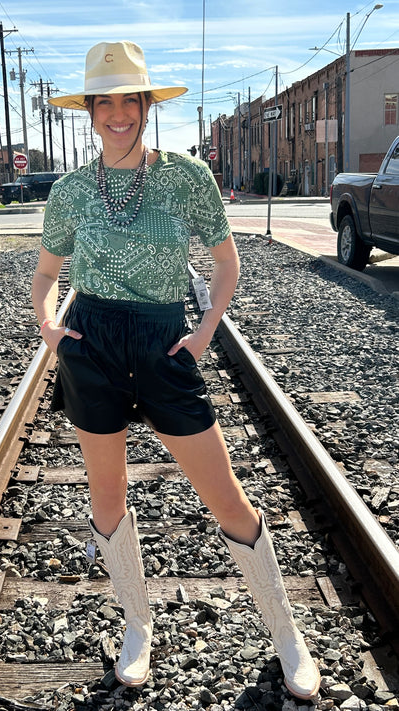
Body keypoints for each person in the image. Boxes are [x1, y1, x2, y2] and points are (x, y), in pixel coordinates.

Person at [32, 40, 321, 699]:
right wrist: (50, 328)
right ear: (90, 110)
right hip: (93, 344)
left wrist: (202, 329)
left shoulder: (187, 176)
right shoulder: (71, 190)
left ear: (142, 105)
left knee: (224, 495)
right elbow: (46, 275)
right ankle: (138, 624)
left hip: (163, 341)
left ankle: (284, 631)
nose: (115, 113)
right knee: (106, 497)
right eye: (102, 101)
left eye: (125, 100)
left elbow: (225, 262)